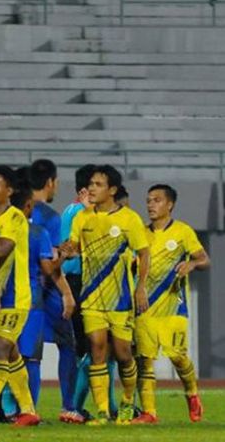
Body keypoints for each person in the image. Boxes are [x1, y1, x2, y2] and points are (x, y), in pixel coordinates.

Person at [60, 165, 150, 426]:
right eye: (91, 184)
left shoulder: (129, 219)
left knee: (123, 353)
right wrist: (65, 251)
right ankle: (101, 412)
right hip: (91, 298)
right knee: (97, 350)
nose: (92, 188)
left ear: (112, 190)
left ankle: (126, 403)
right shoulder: (82, 218)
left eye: (98, 184)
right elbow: (74, 247)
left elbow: (143, 253)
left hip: (120, 298)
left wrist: (141, 287)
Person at [132, 184, 209, 424]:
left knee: (178, 357)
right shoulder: (140, 233)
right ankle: (149, 412)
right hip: (145, 307)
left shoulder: (183, 232)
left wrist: (192, 265)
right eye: (148, 200)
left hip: (174, 307)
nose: (150, 205)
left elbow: (204, 259)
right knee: (145, 360)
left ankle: (192, 394)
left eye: (156, 200)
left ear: (169, 204)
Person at [0, 180, 75, 418]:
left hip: (0, 299)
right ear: (29, 206)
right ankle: (27, 410)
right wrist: (63, 257)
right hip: (30, 302)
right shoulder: (37, 232)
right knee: (30, 357)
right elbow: (49, 269)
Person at [0, 165, 40, 427]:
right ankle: (28, 411)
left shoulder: (14, 217)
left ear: (9, 190)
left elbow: (4, 248)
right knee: (11, 353)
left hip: (14, 297)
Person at [28, 159, 82, 423]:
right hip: (46, 290)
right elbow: (50, 264)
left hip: (18, 289)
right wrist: (67, 292)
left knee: (19, 351)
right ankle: (68, 406)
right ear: (50, 182)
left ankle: (17, 408)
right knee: (67, 345)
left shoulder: (16, 212)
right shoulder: (50, 217)